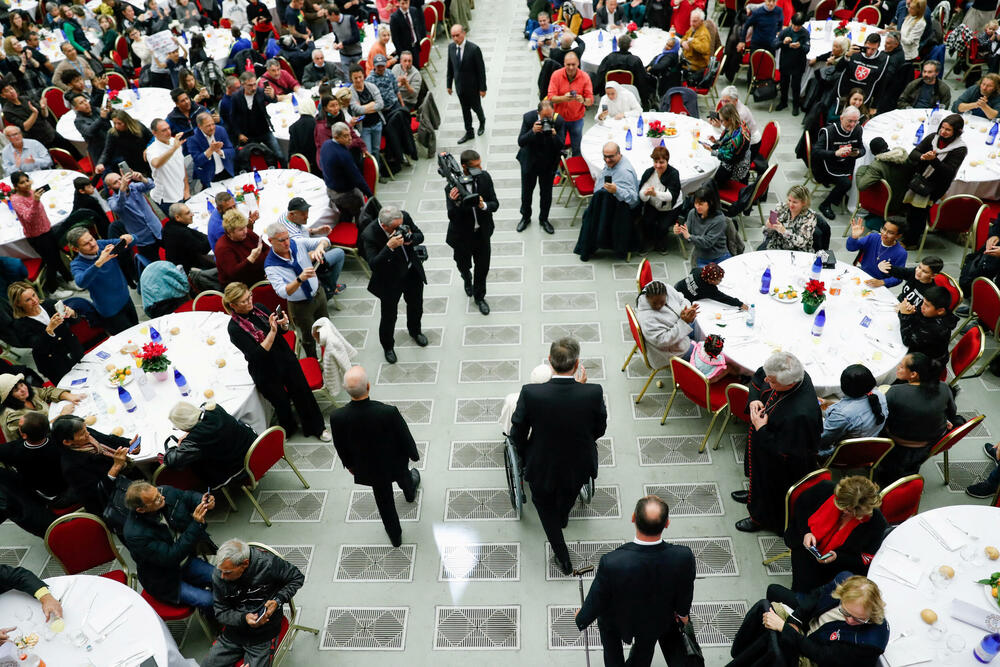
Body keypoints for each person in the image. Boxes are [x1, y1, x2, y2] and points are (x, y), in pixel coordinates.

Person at [509, 337, 606, 575]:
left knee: (542, 503)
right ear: (577, 364)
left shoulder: (531, 393)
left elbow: (517, 432)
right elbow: (599, 429)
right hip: (579, 462)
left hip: (543, 463)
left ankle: (563, 558)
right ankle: (562, 516)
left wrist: (523, 455)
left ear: (550, 361)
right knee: (569, 492)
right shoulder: (592, 393)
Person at [575, 495, 696, 667]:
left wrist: (582, 618)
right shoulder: (683, 557)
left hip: (616, 620)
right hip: (654, 619)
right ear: (667, 523)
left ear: (633, 518)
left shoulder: (612, 562)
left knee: (611, 645)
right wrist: (683, 615)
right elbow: (685, 591)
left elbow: (598, 597)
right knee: (645, 649)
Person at [223, 282, 330, 441]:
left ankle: (317, 428)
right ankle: (289, 428)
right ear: (233, 305)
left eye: (249, 296)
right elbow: (257, 354)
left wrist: (284, 324)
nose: (250, 302)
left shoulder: (259, 308)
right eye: (244, 301)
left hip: (283, 357)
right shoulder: (234, 328)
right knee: (281, 403)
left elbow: (281, 331)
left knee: (303, 393)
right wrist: (273, 331)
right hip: (264, 369)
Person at [329, 365, 421, 547]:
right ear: (368, 386)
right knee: (404, 476)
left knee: (383, 500)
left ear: (347, 391)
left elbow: (340, 445)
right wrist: (414, 455)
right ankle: (410, 493)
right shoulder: (388, 412)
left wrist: (350, 466)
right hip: (395, 462)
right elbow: (404, 437)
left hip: (368, 469)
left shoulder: (337, 417)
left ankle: (395, 536)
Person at [734, 352, 822, 533]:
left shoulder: (801, 414)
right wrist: (755, 399)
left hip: (780, 466)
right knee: (756, 478)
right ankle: (752, 495)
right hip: (762, 444)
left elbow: (787, 452)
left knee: (768, 488)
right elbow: (759, 378)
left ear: (790, 383)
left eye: (772, 381)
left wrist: (762, 429)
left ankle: (759, 519)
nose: (767, 380)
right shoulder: (780, 375)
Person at [728, 573, 890, 666]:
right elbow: (815, 596)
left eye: (859, 620)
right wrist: (795, 621)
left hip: (815, 656)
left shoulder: (869, 642)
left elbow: (823, 656)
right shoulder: (843, 580)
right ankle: (739, 651)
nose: (850, 621)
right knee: (765, 607)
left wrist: (786, 629)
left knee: (774, 641)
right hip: (807, 630)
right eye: (845, 612)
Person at [203, 538, 305, 667]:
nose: (222, 577)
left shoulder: (268, 564)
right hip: (234, 632)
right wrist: (243, 618)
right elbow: (220, 612)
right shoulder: (219, 574)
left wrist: (278, 600)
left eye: (228, 572)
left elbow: (296, 577)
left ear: (245, 564)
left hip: (263, 635)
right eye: (220, 571)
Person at [123, 481, 216, 612]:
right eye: (155, 500)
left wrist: (202, 500)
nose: (162, 498)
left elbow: (186, 497)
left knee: (221, 576)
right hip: (165, 579)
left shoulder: (163, 493)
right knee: (208, 601)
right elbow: (171, 556)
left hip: (186, 561)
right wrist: (196, 525)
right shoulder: (135, 535)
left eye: (158, 493)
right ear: (141, 509)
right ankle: (213, 617)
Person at [360, 205, 428, 363]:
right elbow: (374, 265)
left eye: (402, 224)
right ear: (384, 226)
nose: (401, 228)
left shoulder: (403, 217)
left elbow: (420, 235)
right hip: (389, 280)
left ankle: (415, 331)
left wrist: (410, 239)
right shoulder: (369, 235)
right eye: (396, 227)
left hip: (411, 272)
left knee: (416, 305)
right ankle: (388, 346)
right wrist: (388, 247)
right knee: (389, 316)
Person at [877, 353, 958, 485]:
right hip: (931, 442)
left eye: (902, 367)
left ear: (913, 374)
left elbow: (882, 420)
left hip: (897, 444)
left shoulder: (895, 392)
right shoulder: (943, 387)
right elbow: (952, 413)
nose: (897, 367)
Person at [263, 222, 334, 358]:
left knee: (326, 328)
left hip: (318, 294)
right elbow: (283, 292)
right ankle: (314, 362)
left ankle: (331, 355)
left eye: (287, 238)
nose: (287, 243)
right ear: (270, 241)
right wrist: (299, 279)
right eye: (282, 240)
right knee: (308, 337)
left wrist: (320, 248)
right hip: (300, 306)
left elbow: (325, 240)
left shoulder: (297, 243)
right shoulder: (271, 266)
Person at [50, 414, 140, 516]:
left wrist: (129, 444)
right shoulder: (72, 467)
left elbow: (108, 439)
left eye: (86, 429)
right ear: (67, 442)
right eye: (83, 433)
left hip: (126, 477)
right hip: (117, 499)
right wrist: (116, 467)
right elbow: (98, 494)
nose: (88, 434)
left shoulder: (85, 433)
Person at [902, 114, 968, 248]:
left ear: (956, 131)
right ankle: (907, 235)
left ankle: (911, 242)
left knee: (919, 213)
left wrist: (934, 160)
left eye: (948, 130)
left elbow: (948, 172)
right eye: (942, 128)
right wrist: (922, 157)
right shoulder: (933, 137)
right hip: (919, 179)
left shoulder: (959, 149)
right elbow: (914, 153)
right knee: (911, 209)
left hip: (935, 186)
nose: (943, 132)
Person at [446, 149, 497, 315]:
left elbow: (495, 204)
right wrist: (455, 203)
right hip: (461, 237)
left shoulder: (484, 178)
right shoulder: (451, 187)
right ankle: (466, 279)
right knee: (463, 264)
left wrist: (484, 205)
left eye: (480, 164)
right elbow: (452, 217)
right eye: (475, 166)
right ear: (464, 167)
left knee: (482, 268)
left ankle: (479, 297)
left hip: (482, 234)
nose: (480, 168)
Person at [164, 401, 256, 489]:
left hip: (237, 467)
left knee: (194, 465)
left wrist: (175, 446)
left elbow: (171, 461)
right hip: (254, 447)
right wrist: (190, 432)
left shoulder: (194, 441)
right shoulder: (213, 407)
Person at [8, 171, 73, 293]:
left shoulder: (32, 192)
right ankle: (53, 290)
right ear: (15, 187)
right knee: (51, 262)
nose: (27, 184)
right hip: (37, 237)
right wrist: (36, 201)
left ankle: (69, 280)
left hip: (46, 230)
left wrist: (35, 200)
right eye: (22, 183)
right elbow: (28, 217)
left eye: (27, 180)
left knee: (57, 257)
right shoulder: (16, 200)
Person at [7, 282, 84, 384]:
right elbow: (37, 345)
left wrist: (72, 313)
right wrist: (49, 330)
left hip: (74, 350)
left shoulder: (50, 304)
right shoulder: (19, 325)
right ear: (18, 303)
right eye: (28, 300)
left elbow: (76, 321)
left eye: (34, 295)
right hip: (54, 364)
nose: (34, 300)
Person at [574, 141, 639, 261]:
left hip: (619, 211)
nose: (607, 160)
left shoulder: (624, 173)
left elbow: (634, 200)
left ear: (619, 154)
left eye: (611, 157)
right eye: (605, 156)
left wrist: (617, 190)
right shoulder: (611, 163)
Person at [67, 227, 139, 334]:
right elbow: (81, 282)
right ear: (76, 249)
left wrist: (129, 237)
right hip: (110, 311)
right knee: (130, 339)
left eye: (91, 239)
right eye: (86, 244)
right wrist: (99, 262)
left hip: (126, 299)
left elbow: (133, 241)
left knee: (138, 329)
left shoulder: (101, 245)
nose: (92, 244)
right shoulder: (77, 264)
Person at [277, 197, 345, 297]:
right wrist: (317, 249)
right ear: (292, 214)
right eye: (303, 214)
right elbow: (306, 256)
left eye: (307, 212)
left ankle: (325, 281)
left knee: (324, 246)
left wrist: (315, 231)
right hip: (305, 265)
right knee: (339, 253)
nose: (307, 216)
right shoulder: (295, 238)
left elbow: (300, 229)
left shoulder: (285, 217)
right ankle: (330, 287)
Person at [516, 100, 565, 235]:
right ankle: (525, 217)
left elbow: (561, 145)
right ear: (538, 113)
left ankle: (544, 219)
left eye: (550, 116)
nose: (547, 120)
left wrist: (554, 135)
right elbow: (521, 141)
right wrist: (532, 131)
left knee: (546, 194)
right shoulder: (529, 118)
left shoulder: (559, 121)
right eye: (544, 117)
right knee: (526, 192)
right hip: (529, 162)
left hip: (548, 164)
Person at [0, 80, 80, 160]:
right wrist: (34, 113)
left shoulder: (25, 98)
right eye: (7, 91)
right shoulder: (8, 111)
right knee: (51, 162)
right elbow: (25, 127)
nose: (11, 92)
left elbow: (44, 115)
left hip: (49, 131)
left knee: (73, 152)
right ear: (3, 96)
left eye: (11, 88)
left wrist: (43, 108)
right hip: (37, 140)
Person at [818, 365, 888, 456]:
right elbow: (854, 409)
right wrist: (829, 403)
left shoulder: (841, 415)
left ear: (844, 388)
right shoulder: (879, 395)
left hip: (844, 454)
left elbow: (821, 441)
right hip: (868, 443)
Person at [813, 106, 866, 221]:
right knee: (846, 183)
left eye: (855, 121)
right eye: (849, 121)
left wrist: (857, 153)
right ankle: (825, 204)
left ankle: (845, 196)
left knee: (862, 177)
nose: (852, 124)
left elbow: (863, 149)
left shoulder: (858, 129)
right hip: (826, 166)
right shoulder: (829, 131)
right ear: (841, 119)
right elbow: (816, 152)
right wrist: (835, 153)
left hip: (847, 164)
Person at [634, 279, 699, 366]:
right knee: (702, 355)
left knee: (701, 326)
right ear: (647, 297)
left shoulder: (665, 289)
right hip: (670, 351)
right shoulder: (647, 319)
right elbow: (663, 341)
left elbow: (682, 300)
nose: (658, 306)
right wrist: (683, 322)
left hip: (680, 329)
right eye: (654, 303)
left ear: (666, 295)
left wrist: (685, 311)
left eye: (662, 302)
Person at [0, 374, 83, 441]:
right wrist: (62, 415)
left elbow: (46, 392)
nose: (23, 389)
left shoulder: (26, 392)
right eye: (16, 390)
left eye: (22, 384)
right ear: (9, 397)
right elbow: (38, 433)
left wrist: (69, 396)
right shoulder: (12, 416)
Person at [320, 121, 373, 224]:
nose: (350, 138)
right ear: (336, 136)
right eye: (345, 136)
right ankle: (359, 234)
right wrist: (370, 195)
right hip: (344, 194)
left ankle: (346, 223)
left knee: (346, 214)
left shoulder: (326, 144)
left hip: (330, 189)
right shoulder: (342, 154)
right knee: (361, 215)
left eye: (349, 134)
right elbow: (357, 178)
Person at [105, 171, 162, 264]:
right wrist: (122, 189)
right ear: (110, 188)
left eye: (120, 179)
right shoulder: (112, 201)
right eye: (116, 182)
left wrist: (142, 179)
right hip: (144, 240)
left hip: (158, 230)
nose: (120, 182)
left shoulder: (134, 187)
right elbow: (119, 206)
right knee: (157, 265)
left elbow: (151, 185)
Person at [162, 203, 220, 291]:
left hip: (178, 264)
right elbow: (204, 248)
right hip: (189, 272)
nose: (192, 214)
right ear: (178, 217)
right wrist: (211, 234)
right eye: (188, 213)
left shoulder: (169, 226)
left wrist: (206, 237)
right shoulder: (182, 233)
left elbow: (196, 234)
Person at [447, 24, 487, 144]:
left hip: (473, 87)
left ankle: (482, 120)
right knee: (465, 110)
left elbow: (481, 70)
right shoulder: (451, 48)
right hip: (460, 87)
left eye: (457, 35)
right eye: (453, 36)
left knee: (476, 107)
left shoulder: (474, 49)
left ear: (463, 33)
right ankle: (469, 132)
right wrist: (449, 84)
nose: (455, 38)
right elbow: (450, 67)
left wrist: (483, 88)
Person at [897, 284, 957, 363]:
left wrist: (905, 315)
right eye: (923, 302)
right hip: (919, 348)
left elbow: (907, 340)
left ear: (940, 311)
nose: (922, 307)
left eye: (927, 305)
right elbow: (916, 317)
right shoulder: (930, 312)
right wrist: (909, 311)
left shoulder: (938, 329)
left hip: (927, 365)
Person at [548, 52, 593, 158]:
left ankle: (575, 166)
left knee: (577, 146)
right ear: (564, 64)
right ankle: (560, 169)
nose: (571, 67)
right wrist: (564, 98)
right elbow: (550, 98)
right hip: (559, 118)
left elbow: (590, 100)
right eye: (568, 64)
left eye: (573, 64)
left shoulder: (585, 77)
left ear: (578, 64)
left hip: (576, 118)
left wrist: (582, 100)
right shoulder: (556, 75)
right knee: (559, 146)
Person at [854, 138, 912, 221]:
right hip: (904, 201)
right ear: (887, 146)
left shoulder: (877, 166)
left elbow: (861, 185)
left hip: (886, 204)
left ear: (873, 153)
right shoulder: (904, 158)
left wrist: (861, 169)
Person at [638, 146, 682, 253]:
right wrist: (646, 194)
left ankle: (660, 242)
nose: (658, 165)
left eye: (661, 162)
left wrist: (654, 193)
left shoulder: (674, 174)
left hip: (671, 207)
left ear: (667, 161)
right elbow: (642, 195)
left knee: (663, 226)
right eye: (655, 162)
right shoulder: (649, 173)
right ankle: (649, 240)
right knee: (646, 222)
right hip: (653, 205)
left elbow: (670, 196)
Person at [228, 72, 282, 160]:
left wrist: (273, 96)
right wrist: (239, 134)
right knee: (250, 159)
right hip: (248, 135)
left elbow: (273, 100)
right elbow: (232, 117)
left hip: (264, 131)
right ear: (243, 84)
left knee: (279, 155)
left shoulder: (260, 91)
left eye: (254, 84)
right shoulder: (236, 97)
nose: (253, 88)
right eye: (250, 85)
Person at [674, 184, 728, 265]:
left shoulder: (719, 219)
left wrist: (689, 236)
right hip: (702, 256)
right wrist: (680, 232)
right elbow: (687, 234)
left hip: (718, 257)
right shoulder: (692, 213)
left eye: (701, 204)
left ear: (710, 203)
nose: (697, 207)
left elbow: (708, 242)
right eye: (696, 203)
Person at [846, 217, 908, 287]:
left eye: (890, 233)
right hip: (862, 275)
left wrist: (883, 282)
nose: (884, 233)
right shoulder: (873, 237)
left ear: (898, 236)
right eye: (884, 229)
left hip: (878, 284)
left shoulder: (901, 253)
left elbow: (898, 278)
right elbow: (851, 248)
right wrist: (854, 237)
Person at [834, 33, 889, 109]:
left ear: (878, 47)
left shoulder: (883, 60)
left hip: (864, 97)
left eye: (873, 49)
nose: (869, 52)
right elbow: (838, 69)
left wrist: (874, 106)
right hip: (845, 92)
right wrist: (847, 56)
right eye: (867, 48)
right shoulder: (854, 52)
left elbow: (881, 84)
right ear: (864, 44)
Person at [215, 209, 268, 287]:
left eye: (245, 227)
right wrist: (251, 258)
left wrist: (268, 267)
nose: (246, 231)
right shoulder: (223, 248)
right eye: (240, 230)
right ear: (230, 232)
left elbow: (267, 249)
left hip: (262, 276)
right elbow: (235, 274)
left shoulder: (247, 234)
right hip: (241, 287)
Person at [96, 110, 155, 176]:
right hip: (131, 163)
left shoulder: (138, 126)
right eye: (114, 123)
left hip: (147, 157)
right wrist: (100, 163)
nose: (116, 126)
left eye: (119, 123)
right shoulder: (113, 133)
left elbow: (152, 138)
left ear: (126, 122)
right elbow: (107, 151)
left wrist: (148, 148)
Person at [761, 185, 819, 253]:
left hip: (798, 252)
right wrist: (769, 227)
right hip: (777, 247)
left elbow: (801, 242)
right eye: (789, 200)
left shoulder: (810, 216)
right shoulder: (780, 207)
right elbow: (766, 233)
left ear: (803, 203)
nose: (791, 205)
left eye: (795, 202)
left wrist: (784, 231)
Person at [707, 102, 752, 186]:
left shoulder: (738, 138)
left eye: (722, 120)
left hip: (735, 170)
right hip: (738, 159)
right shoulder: (739, 124)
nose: (721, 123)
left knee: (709, 182)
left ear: (730, 119)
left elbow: (728, 159)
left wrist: (711, 151)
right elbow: (726, 141)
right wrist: (716, 142)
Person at [347, 63, 385, 159]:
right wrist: (372, 104)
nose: (359, 80)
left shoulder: (371, 86)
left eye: (360, 77)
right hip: (364, 128)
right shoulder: (350, 92)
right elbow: (358, 110)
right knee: (369, 153)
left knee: (377, 150)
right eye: (355, 78)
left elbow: (380, 104)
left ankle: (378, 172)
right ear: (351, 79)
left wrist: (364, 108)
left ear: (364, 75)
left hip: (377, 124)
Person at [189, 112, 237, 188]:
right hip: (209, 177)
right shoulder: (192, 138)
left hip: (226, 172)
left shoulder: (220, 130)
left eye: (213, 124)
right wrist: (210, 150)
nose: (212, 128)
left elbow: (232, 152)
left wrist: (220, 152)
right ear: (199, 126)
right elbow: (197, 161)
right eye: (208, 126)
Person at [775, 13, 809, 114]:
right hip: (785, 62)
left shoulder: (805, 33)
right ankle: (783, 102)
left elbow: (807, 49)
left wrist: (800, 46)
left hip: (798, 63)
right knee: (784, 84)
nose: (796, 28)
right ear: (791, 23)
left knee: (796, 86)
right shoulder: (785, 31)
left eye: (798, 26)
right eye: (794, 25)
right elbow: (774, 44)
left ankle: (795, 105)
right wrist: (783, 43)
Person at [675, 263, 747, 309]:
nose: (720, 281)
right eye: (719, 280)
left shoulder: (698, 270)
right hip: (681, 300)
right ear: (710, 280)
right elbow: (723, 298)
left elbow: (692, 271)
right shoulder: (708, 289)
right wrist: (740, 304)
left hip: (678, 286)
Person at [70, 92, 112, 167]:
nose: (85, 103)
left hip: (113, 145)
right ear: (76, 108)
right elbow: (90, 131)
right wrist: (101, 118)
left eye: (85, 101)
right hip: (100, 153)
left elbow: (111, 118)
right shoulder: (79, 121)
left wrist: (111, 111)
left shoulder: (96, 110)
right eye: (81, 103)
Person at [390, 0, 426, 66]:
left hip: (415, 46)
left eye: (406, 3)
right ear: (399, 3)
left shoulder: (413, 11)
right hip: (405, 50)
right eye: (402, 3)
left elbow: (416, 27)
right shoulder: (394, 17)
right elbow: (395, 38)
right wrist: (401, 53)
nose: (405, 6)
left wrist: (419, 39)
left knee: (417, 68)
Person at [681, 9, 712, 74]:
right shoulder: (693, 27)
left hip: (696, 65)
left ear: (701, 21)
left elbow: (704, 49)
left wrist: (692, 40)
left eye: (694, 21)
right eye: (691, 20)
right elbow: (684, 37)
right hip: (688, 59)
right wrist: (683, 42)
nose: (691, 23)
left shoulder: (704, 34)